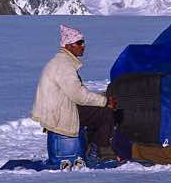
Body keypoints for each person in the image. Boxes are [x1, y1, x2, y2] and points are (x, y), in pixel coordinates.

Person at [31, 25, 117, 158]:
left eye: (83, 42)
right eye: (79, 43)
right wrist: (105, 101)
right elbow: (78, 95)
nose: (83, 46)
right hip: (60, 112)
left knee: (97, 107)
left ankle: (92, 144)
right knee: (105, 112)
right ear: (68, 45)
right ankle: (102, 149)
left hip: (58, 108)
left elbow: (75, 92)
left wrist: (101, 99)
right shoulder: (64, 65)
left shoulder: (61, 61)